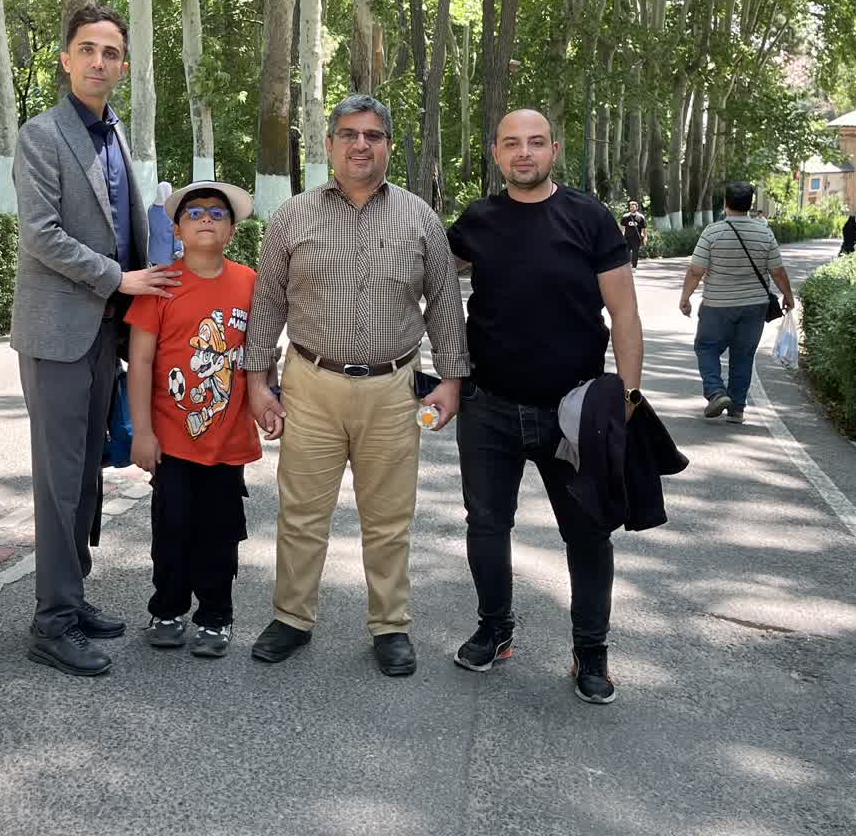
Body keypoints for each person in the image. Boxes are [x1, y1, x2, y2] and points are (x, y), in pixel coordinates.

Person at [243, 94, 468, 677]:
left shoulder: (420, 217)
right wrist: (257, 383)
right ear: (330, 144)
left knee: (389, 519)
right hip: (311, 386)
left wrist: (452, 381)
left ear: (388, 144)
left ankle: (390, 625)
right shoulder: (293, 216)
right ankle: (292, 617)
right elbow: (267, 305)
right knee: (301, 513)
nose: (360, 145)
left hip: (394, 389)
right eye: (349, 134)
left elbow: (445, 304)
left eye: (373, 135)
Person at [447, 109, 645, 705]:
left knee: (588, 534)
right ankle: (495, 628)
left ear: (555, 150)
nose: (524, 153)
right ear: (496, 153)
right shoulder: (477, 221)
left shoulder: (589, 217)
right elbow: (425, 278)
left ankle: (591, 649)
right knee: (486, 526)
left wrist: (629, 395)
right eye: (512, 143)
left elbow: (624, 314)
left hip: (574, 410)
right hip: (489, 407)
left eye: (536, 143)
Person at [10, 3, 178, 677]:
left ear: (123, 67)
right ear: (66, 59)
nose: (98, 61)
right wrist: (119, 278)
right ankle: (51, 622)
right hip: (57, 333)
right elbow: (41, 235)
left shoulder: (114, 134)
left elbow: (124, 225)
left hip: (106, 331)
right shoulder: (41, 135)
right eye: (87, 49)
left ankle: (71, 598)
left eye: (110, 52)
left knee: (84, 477)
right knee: (58, 482)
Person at [126, 180, 261, 660]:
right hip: (172, 440)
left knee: (220, 533)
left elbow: (261, 355)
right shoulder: (160, 284)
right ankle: (167, 609)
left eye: (218, 213)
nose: (206, 218)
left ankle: (216, 616)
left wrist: (267, 399)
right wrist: (142, 432)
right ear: (179, 229)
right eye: (195, 212)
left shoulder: (250, 282)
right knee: (172, 529)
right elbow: (140, 362)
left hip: (228, 441)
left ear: (232, 231)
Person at [676, 181, 795, 424]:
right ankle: (737, 409)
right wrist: (788, 295)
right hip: (754, 306)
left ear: (725, 202)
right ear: (750, 204)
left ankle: (716, 392)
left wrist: (685, 297)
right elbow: (778, 271)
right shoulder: (764, 232)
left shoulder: (712, 232)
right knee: (743, 355)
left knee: (707, 347)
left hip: (716, 306)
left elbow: (696, 270)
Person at [147, 180, 178, 265]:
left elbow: (151, 230)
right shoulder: (171, 210)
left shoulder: (150, 209)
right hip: (168, 256)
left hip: (153, 254)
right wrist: (178, 250)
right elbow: (176, 233)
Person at [619, 199, 649, 268]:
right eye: (630, 207)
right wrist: (620, 236)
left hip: (636, 238)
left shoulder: (641, 217)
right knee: (626, 253)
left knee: (635, 253)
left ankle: (634, 267)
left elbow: (644, 229)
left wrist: (645, 238)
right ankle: (627, 266)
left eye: (633, 207)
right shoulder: (625, 217)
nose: (632, 208)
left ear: (637, 207)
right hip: (627, 238)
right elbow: (622, 228)